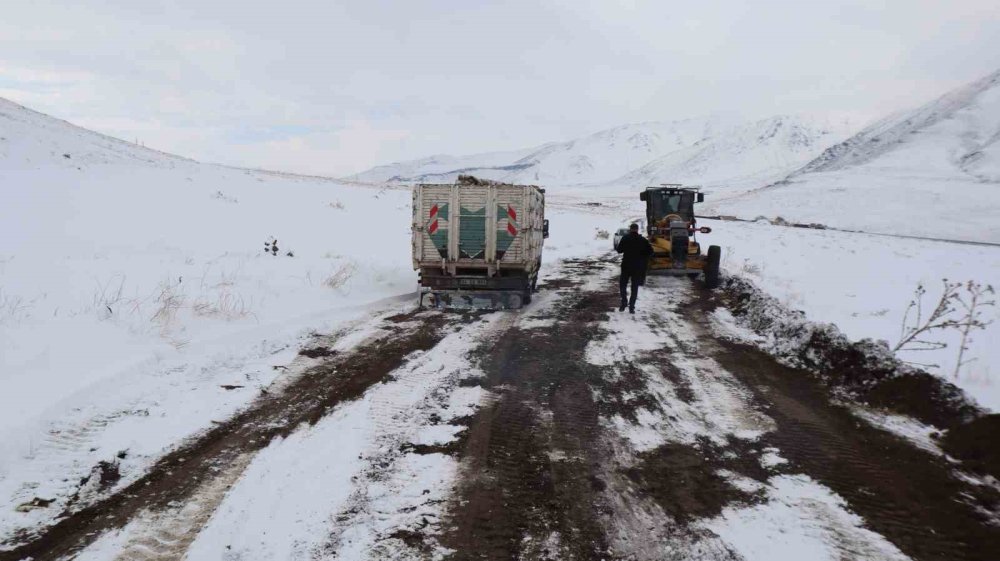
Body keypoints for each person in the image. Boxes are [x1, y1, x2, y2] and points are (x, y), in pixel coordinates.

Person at [615, 223, 653, 314]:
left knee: (623, 285)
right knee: (634, 287)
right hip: (637, 267)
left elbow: (619, 250)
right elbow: (650, 251)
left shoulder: (625, 238)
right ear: (637, 229)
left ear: (630, 229)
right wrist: (642, 257)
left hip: (626, 265)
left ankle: (624, 302)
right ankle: (632, 307)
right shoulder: (643, 240)